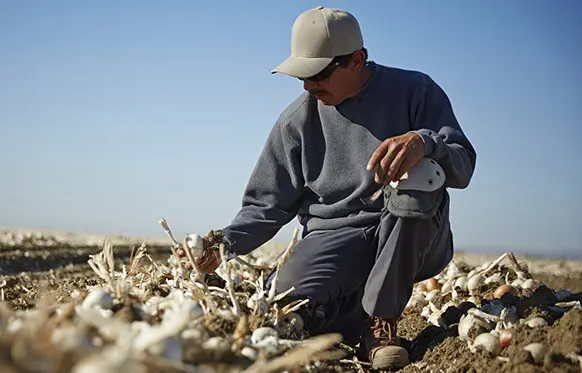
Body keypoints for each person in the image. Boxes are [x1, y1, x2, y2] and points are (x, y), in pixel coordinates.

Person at [177, 6, 476, 371]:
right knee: (286, 306)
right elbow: (265, 206)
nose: (307, 85)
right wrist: (222, 243)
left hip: (413, 235)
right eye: (301, 75)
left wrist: (424, 142)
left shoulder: (416, 91)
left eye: (318, 73)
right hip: (336, 239)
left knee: (422, 173)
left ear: (357, 60)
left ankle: (380, 323)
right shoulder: (295, 122)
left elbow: (463, 166)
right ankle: (352, 315)